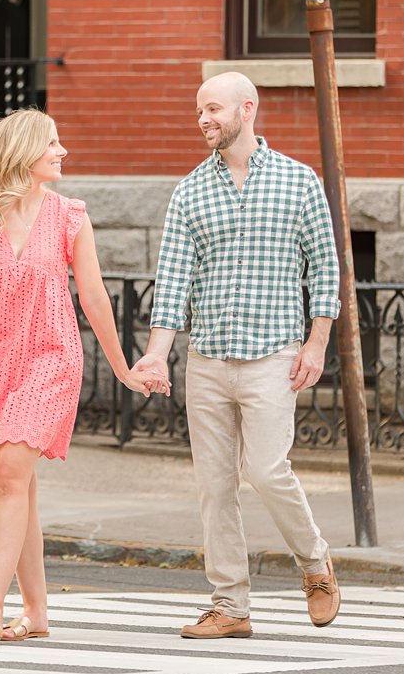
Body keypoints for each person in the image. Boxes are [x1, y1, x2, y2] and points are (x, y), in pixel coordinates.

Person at [0, 108, 169, 643]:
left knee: (9, 478)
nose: (62, 152)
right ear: (23, 151)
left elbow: (93, 297)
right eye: (53, 143)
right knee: (17, 489)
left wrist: (123, 369)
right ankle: (37, 614)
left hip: (49, 359)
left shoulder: (70, 216)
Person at [133, 71, 342, 638]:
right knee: (215, 485)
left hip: (274, 355)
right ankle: (230, 604)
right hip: (207, 361)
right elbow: (172, 281)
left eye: (213, 109)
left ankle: (315, 563)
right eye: (199, 110)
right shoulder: (190, 191)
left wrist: (317, 343)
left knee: (269, 470)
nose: (203, 119)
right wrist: (156, 355)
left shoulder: (299, 183)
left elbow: (325, 268)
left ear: (247, 109)